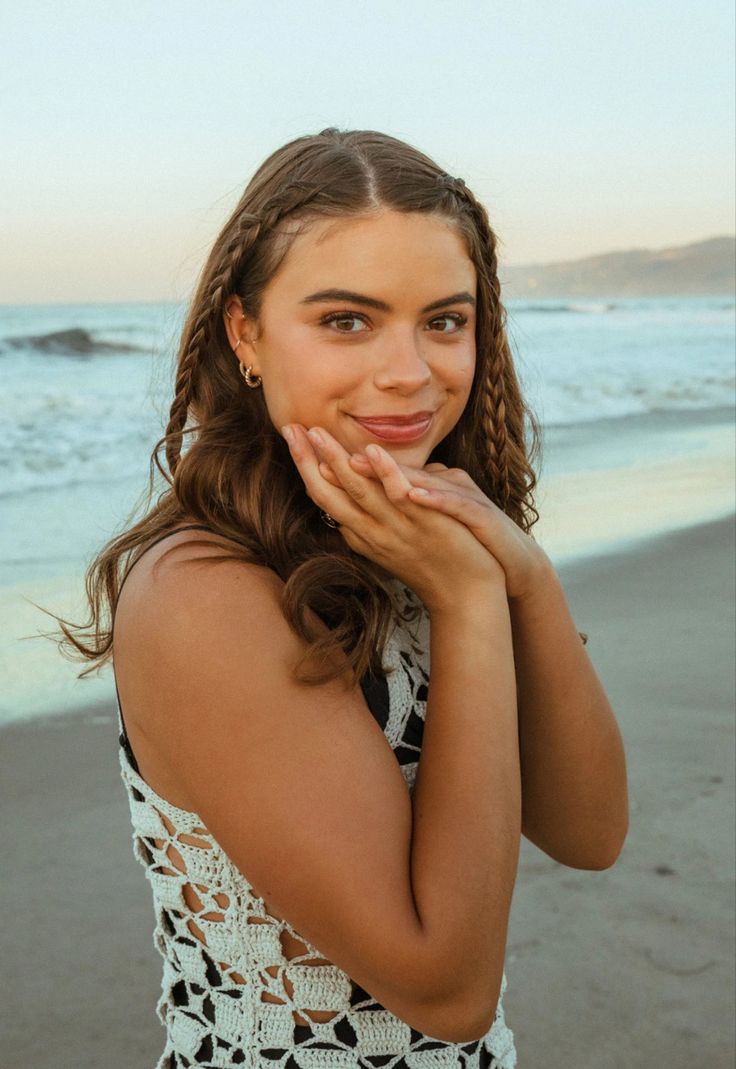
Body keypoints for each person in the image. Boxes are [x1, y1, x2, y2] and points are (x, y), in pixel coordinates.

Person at [57, 127, 628, 1068]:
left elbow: (593, 830)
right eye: (346, 321)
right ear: (245, 332)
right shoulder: (206, 594)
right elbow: (447, 989)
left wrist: (522, 572)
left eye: (444, 320)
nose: (410, 371)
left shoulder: (414, 544)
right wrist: (473, 604)